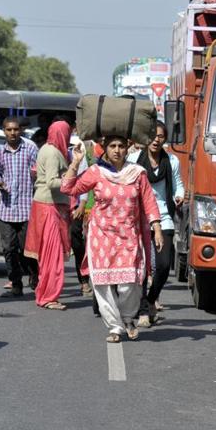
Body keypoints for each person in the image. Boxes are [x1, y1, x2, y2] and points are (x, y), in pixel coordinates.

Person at [61, 135, 163, 343]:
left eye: (121, 146)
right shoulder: (97, 173)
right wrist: (76, 161)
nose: (117, 150)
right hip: (102, 236)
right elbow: (68, 188)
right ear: (105, 149)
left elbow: (149, 201)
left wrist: (157, 227)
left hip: (129, 236)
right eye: (112, 146)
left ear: (127, 148)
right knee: (103, 284)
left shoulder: (137, 173)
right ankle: (115, 327)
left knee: (130, 283)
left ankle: (127, 318)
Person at [129, 121, 184, 327]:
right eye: (153, 135)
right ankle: (143, 311)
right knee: (141, 267)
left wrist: (179, 196)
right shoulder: (134, 160)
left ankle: (152, 299)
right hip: (139, 217)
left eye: (160, 136)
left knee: (163, 265)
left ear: (165, 139)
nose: (156, 140)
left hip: (163, 215)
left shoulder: (172, 161)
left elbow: (178, 185)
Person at [24, 120, 72, 310]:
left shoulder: (47, 148)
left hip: (45, 205)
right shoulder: (53, 153)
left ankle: (45, 293)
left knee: (47, 256)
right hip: (49, 206)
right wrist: (73, 177)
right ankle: (49, 296)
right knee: (53, 256)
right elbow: (52, 182)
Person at [0, 116, 39, 297]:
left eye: (15, 129)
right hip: (7, 208)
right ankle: (16, 282)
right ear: (4, 131)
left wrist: (35, 177)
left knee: (27, 249)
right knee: (8, 249)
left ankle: (35, 277)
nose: (12, 133)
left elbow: (38, 171)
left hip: (27, 208)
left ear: (20, 130)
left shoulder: (30, 148)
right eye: (8, 130)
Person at [67, 138, 91, 297]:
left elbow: (83, 180)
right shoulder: (50, 153)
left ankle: (84, 280)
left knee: (77, 243)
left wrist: (82, 204)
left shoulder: (77, 152)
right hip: (54, 207)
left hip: (74, 206)